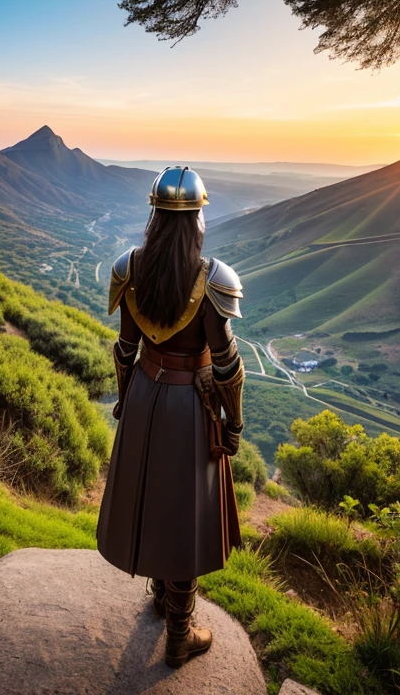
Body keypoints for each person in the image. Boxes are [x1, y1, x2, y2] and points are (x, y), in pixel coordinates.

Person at [96, 166, 245, 669]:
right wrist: (234, 423)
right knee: (185, 513)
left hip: (143, 396)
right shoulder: (212, 278)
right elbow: (225, 363)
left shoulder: (130, 268)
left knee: (155, 497)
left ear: (154, 217)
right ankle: (179, 635)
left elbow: (125, 349)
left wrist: (125, 399)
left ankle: (162, 595)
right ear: (197, 219)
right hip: (189, 406)